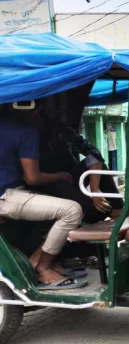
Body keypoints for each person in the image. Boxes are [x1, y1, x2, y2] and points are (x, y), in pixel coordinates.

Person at [0, 115, 85, 289]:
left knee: (60, 214)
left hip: (10, 193)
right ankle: (43, 267)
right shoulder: (24, 130)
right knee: (72, 210)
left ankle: (35, 262)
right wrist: (61, 176)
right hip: (6, 196)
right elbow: (32, 178)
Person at [22, 107, 129, 224]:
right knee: (95, 209)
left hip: (69, 177)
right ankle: (105, 213)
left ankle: (118, 208)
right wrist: (60, 176)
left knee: (99, 166)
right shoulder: (22, 135)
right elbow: (31, 178)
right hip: (45, 184)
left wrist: (95, 190)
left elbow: (93, 154)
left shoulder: (58, 129)